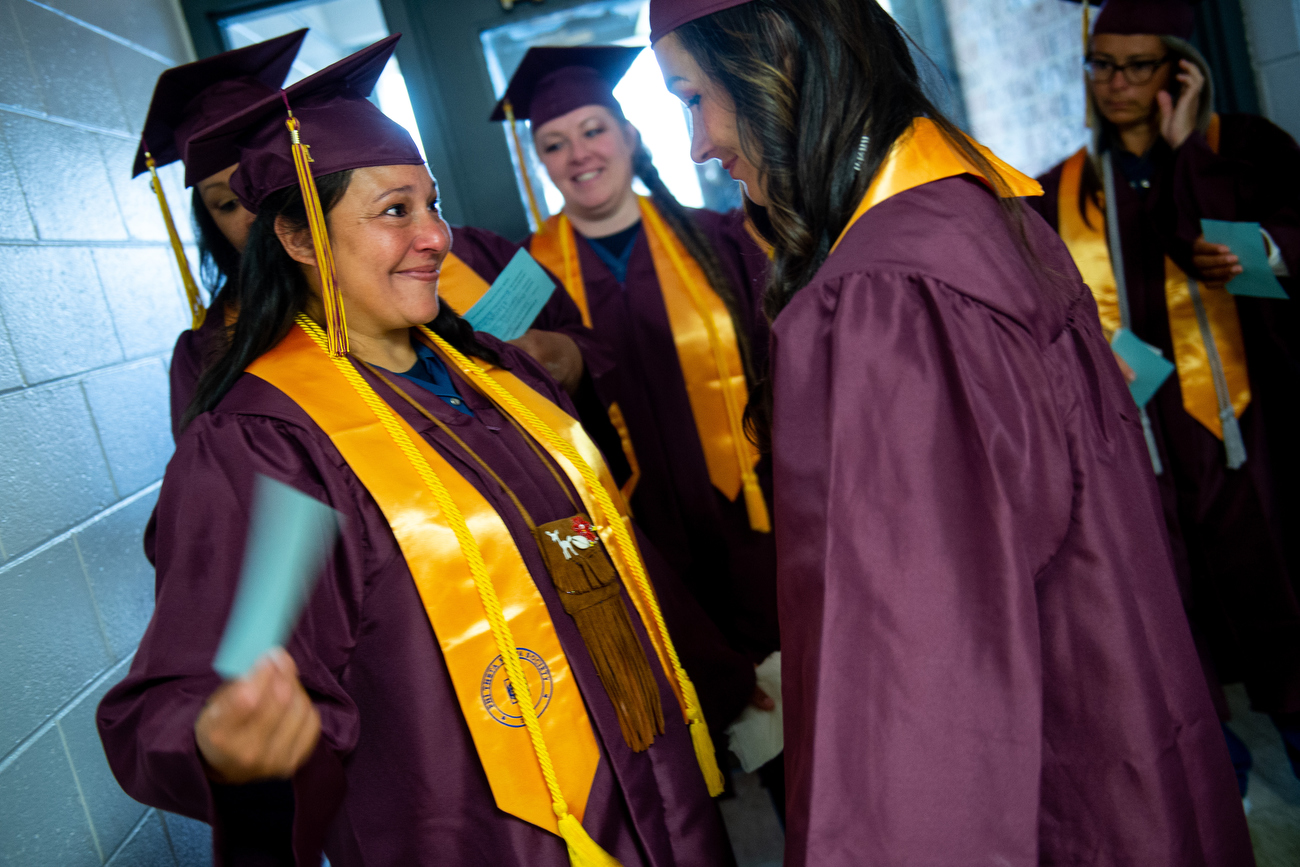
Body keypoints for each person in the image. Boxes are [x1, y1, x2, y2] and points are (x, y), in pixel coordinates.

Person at [98, 36, 743, 867]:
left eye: (431, 205)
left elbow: (607, 550)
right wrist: (220, 734)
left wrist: (716, 671)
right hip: (487, 835)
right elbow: (234, 659)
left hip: (658, 799)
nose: (437, 235)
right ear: (297, 237)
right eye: (395, 211)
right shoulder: (275, 446)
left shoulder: (498, 378)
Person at [650, 0, 1255, 864]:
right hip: (1119, 739)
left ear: (776, 66)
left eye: (692, 97)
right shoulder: (985, 218)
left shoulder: (883, 295)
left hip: (1037, 800)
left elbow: (915, 668)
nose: (699, 145)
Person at [1029, 0, 1300, 788]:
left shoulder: (1243, 152)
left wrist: (1189, 152)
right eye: (1100, 65)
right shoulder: (1061, 193)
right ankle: (1225, 783)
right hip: (1142, 449)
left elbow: (1238, 254)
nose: (1113, 84)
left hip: (1255, 436)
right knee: (1174, 621)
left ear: (1181, 70)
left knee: (1283, 602)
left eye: (1136, 66)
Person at [493, 49, 779, 739]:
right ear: (542, 163)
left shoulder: (721, 240)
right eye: (554, 144)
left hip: (756, 529)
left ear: (628, 135)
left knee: (795, 733)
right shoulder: (519, 279)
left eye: (593, 130)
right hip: (629, 548)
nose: (578, 154)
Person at [132, 29, 308, 439]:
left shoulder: (446, 257)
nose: (253, 214)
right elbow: (227, 491)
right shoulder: (207, 353)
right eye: (227, 204)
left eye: (265, 185)